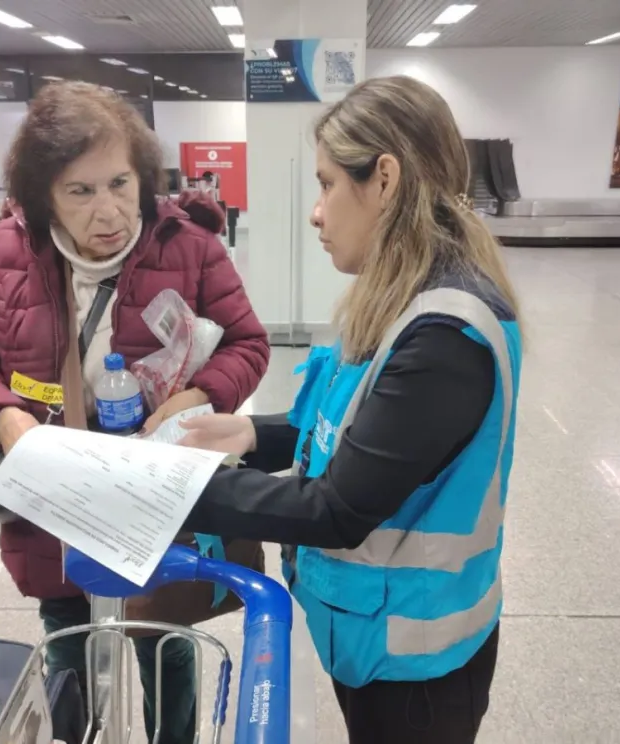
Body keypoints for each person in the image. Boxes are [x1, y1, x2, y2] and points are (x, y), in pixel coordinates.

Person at [177, 75, 523, 744]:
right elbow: (353, 429)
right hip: (377, 637)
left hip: (416, 670)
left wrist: (183, 489)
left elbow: (337, 508)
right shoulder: (401, 296)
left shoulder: (444, 335)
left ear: (385, 179)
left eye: (328, 183)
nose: (316, 211)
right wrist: (251, 432)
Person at [0, 81, 269, 744]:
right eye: (79, 191)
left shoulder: (191, 247)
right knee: (67, 638)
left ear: (143, 176)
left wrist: (198, 394)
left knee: (164, 642)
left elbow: (247, 343)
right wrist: (5, 419)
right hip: (54, 499)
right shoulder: (6, 254)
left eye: (120, 183)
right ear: (43, 197)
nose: (108, 211)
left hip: (158, 491)